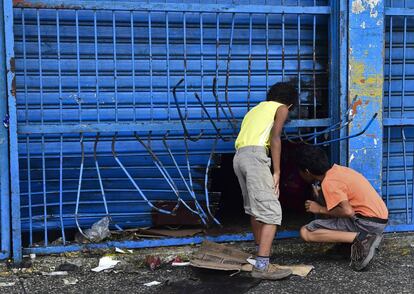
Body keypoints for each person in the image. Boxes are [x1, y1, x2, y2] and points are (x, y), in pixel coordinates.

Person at [233, 82, 298, 280]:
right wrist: (277, 172)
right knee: (271, 211)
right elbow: (276, 138)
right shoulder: (281, 108)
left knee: (255, 209)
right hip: (255, 157)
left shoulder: (254, 110)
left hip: (239, 157)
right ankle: (262, 265)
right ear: (290, 105)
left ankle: (260, 255)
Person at [296, 145, 388, 271]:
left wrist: (318, 209)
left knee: (305, 232)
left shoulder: (329, 183)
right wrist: (320, 197)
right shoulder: (337, 170)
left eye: (299, 171)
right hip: (378, 219)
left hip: (367, 222)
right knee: (331, 220)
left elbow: (347, 211)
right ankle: (348, 247)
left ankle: (364, 239)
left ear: (306, 171)